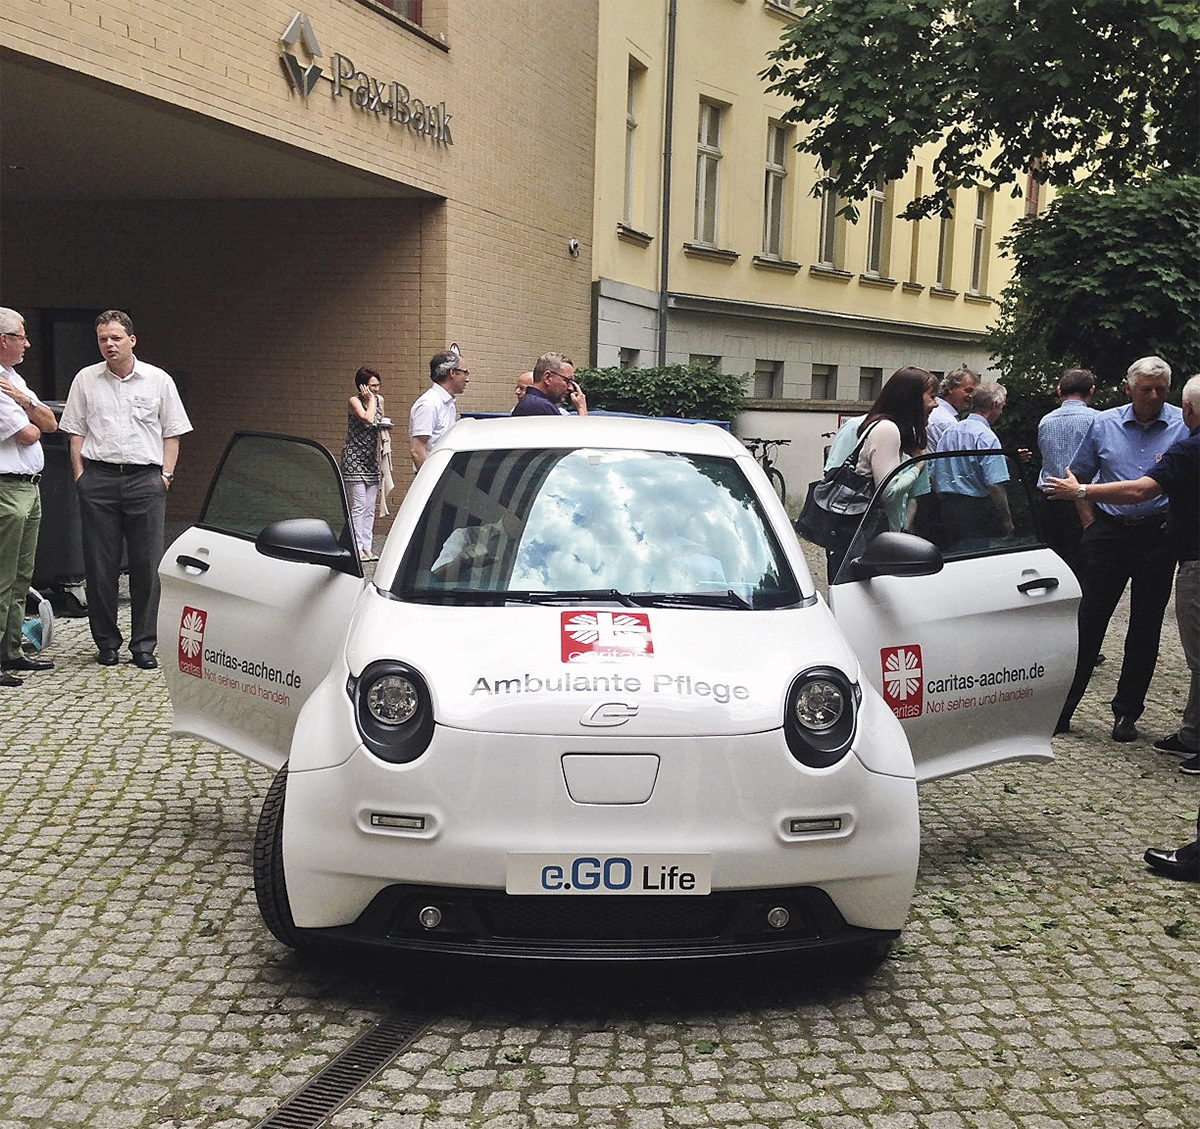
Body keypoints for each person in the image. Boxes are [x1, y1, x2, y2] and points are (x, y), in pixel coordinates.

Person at [1044, 373, 1200, 771]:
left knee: (1146, 627)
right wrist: (1089, 523)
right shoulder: (1104, 422)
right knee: (1089, 620)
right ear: (1127, 388)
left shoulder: (1184, 426)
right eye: (1145, 388)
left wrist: (1175, 515)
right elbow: (1076, 473)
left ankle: (1127, 712)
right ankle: (1063, 708)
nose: (1153, 395)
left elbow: (1158, 487)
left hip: (1155, 537)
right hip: (1108, 533)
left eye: (1161, 389)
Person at [59, 310, 192, 669]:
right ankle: (106, 643)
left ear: (132, 340)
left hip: (145, 481)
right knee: (100, 567)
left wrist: (165, 476)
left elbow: (172, 432)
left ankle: (144, 644)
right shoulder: (86, 380)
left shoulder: (158, 380)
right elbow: (75, 432)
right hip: (98, 480)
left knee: (146, 565)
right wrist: (80, 478)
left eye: (116, 338)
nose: (109, 345)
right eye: (103, 339)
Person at [0, 308, 58, 687]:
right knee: (3, 577)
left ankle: (11, 650)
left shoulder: (13, 381)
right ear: (3, 340)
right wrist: (29, 409)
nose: (28, 343)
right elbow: (29, 435)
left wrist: (24, 399)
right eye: (21, 336)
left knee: (22, 575)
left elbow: (52, 424)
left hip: (30, 485)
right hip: (7, 487)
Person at [930, 383, 1014, 544]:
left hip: (947, 507)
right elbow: (995, 484)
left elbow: (934, 474)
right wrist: (1006, 518)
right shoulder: (986, 437)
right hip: (976, 510)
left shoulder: (950, 432)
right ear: (993, 405)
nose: (1002, 411)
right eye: (1001, 406)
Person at [1036, 369, 1098, 581]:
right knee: (1087, 560)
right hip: (1085, 497)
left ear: (1059, 390)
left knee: (1057, 558)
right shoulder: (1098, 420)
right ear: (1091, 391)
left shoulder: (1045, 421)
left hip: (1050, 497)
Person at [341, 367, 389, 561]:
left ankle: (368, 547)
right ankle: (357, 547)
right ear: (362, 386)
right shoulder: (355, 401)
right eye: (372, 386)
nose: (376, 389)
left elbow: (379, 421)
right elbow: (368, 418)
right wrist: (369, 400)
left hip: (371, 457)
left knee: (370, 506)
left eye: (377, 385)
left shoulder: (380, 400)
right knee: (359, 505)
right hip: (354, 456)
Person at [409, 350, 469, 470]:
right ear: (452, 372)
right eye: (465, 373)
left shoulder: (448, 403)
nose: (467, 379)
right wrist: (429, 482)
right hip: (433, 476)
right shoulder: (429, 404)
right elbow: (417, 450)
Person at [511, 353, 587, 416]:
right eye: (566, 380)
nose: (571, 388)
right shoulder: (542, 407)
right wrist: (581, 409)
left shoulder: (531, 402)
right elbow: (580, 434)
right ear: (547, 378)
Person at [925, 368, 978, 450]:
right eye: (968, 390)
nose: (971, 396)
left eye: (973, 393)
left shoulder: (940, 412)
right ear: (951, 389)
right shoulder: (947, 421)